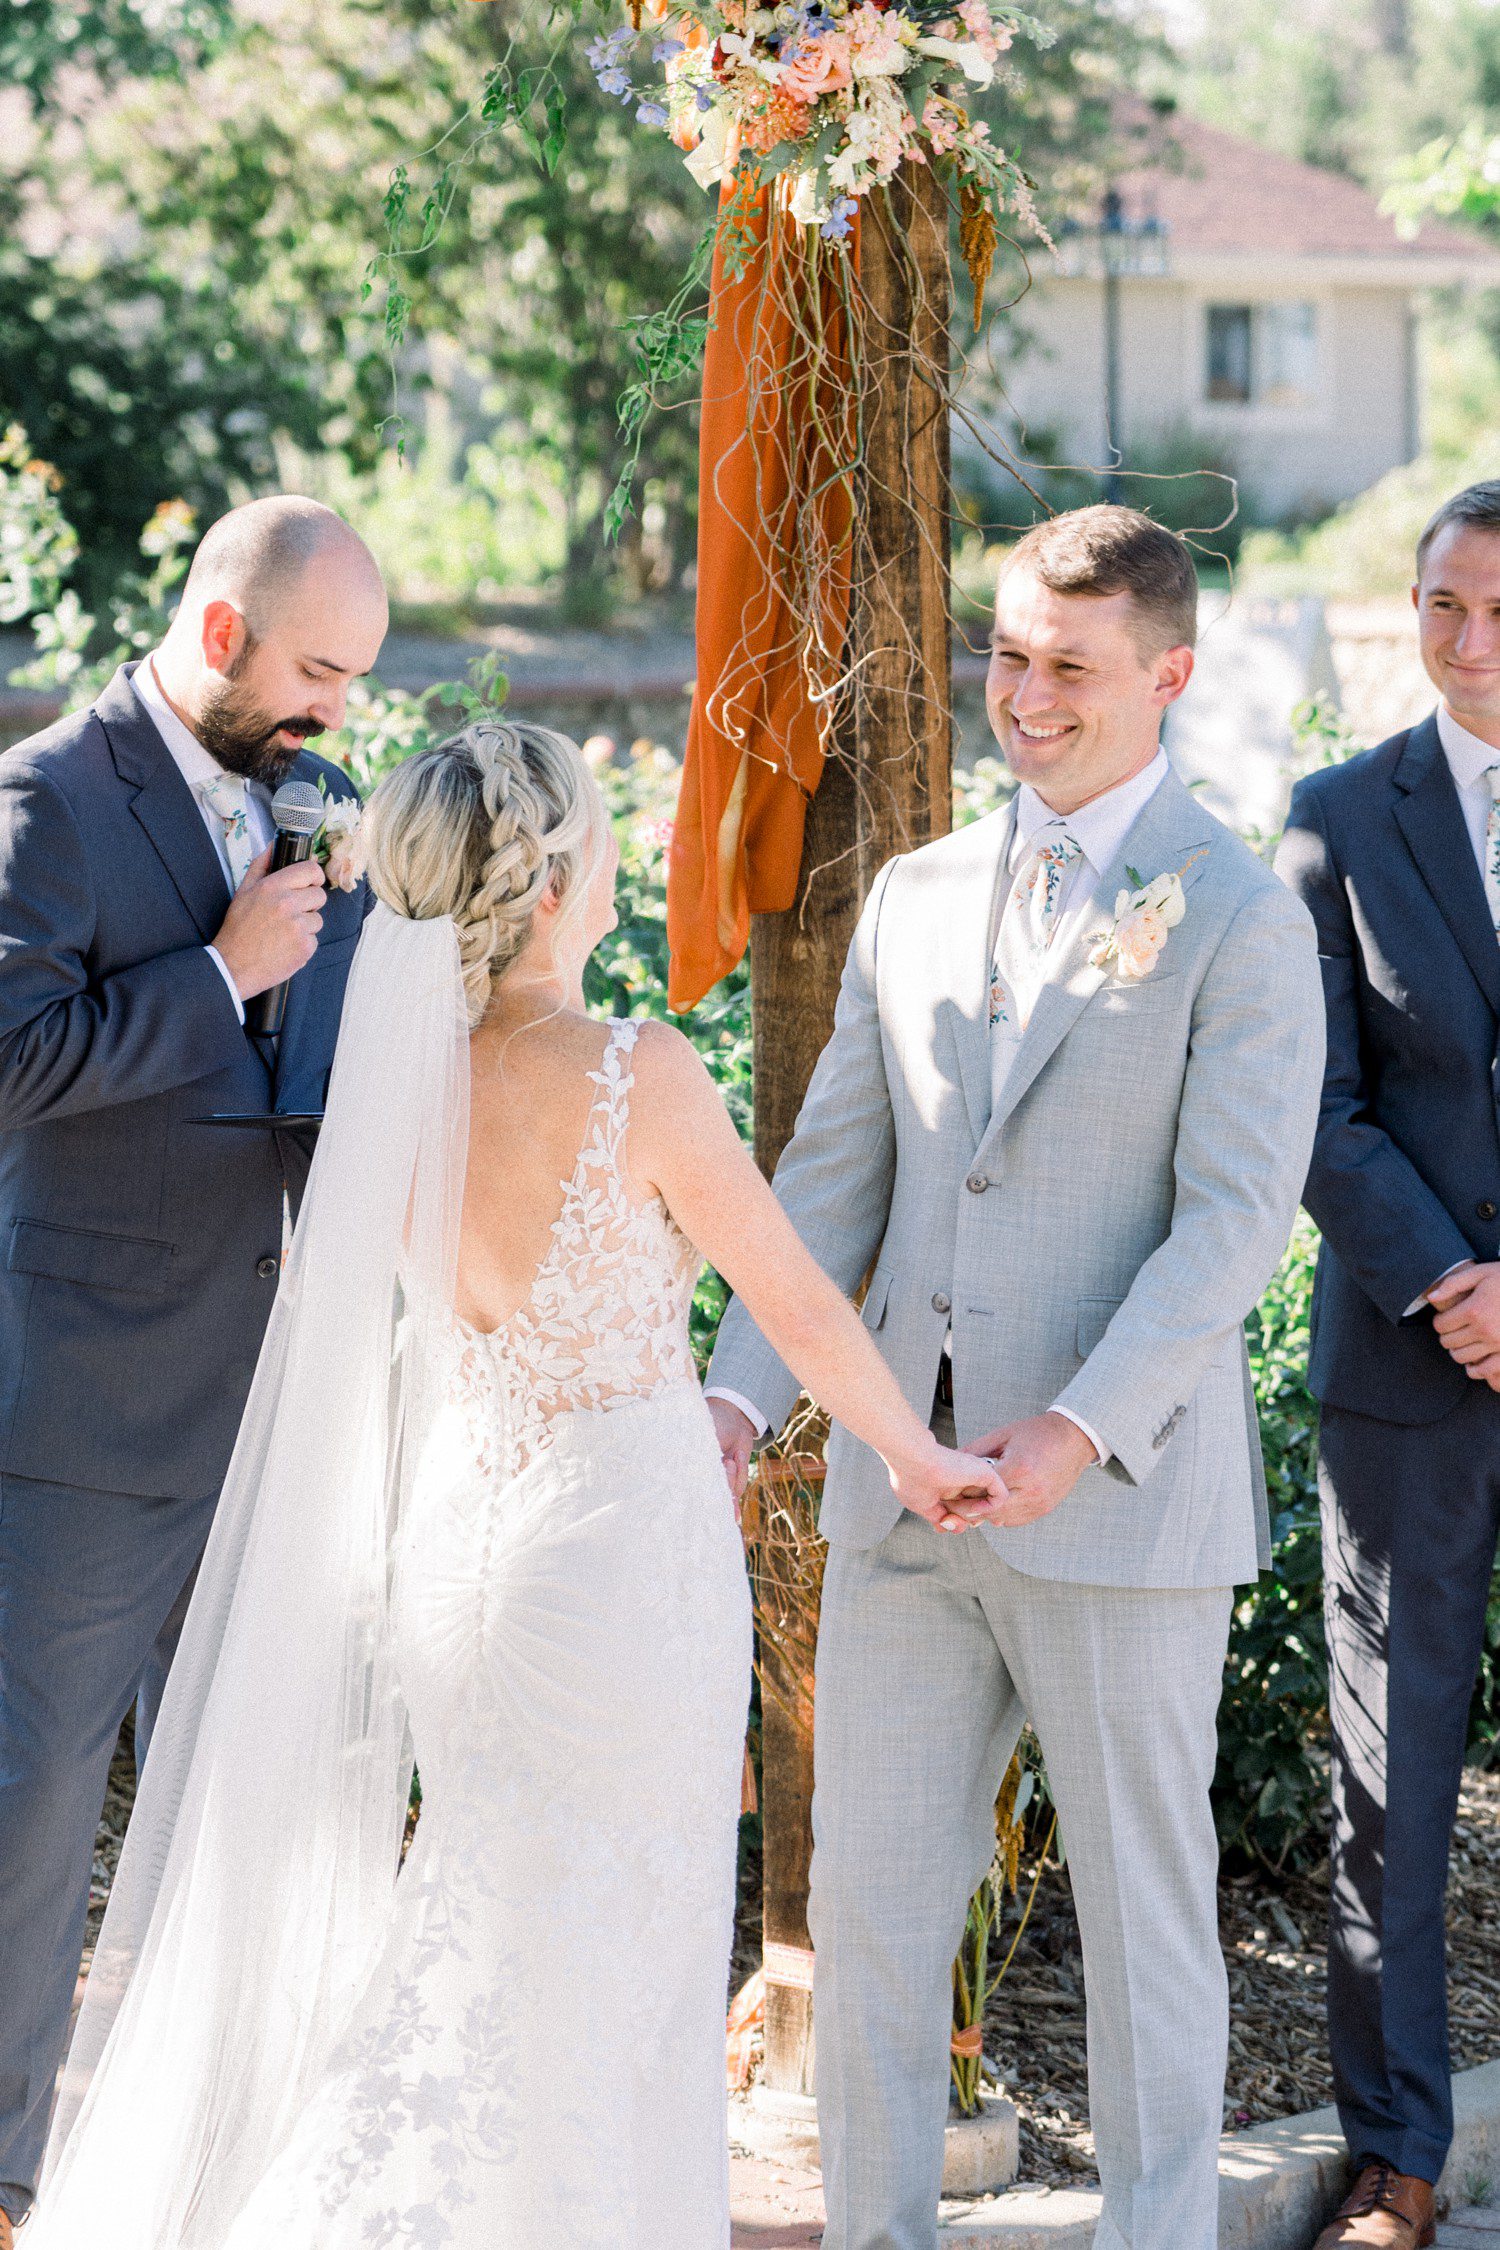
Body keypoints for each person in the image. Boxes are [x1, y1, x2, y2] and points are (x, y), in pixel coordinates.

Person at [27, 720, 1007, 2250]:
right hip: (615, 1555)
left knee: (487, 1918)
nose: (615, 869)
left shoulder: (389, 1082)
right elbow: (802, 1306)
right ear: (551, 878)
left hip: (462, 1551)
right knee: (615, 1948)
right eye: (602, 845)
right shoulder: (635, 1067)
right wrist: (921, 1451)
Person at [708, 505, 1328, 2250]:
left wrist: (1069, 1432)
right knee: (872, 1915)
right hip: (903, 1502)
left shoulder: (1231, 916)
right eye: (1007, 654)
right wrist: (739, 1401)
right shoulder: (912, 896)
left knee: (1143, 1926)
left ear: (1169, 675)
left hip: (1116, 1508)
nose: (1026, 694)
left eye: (1069, 664)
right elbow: (829, 1185)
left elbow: (1228, 1231)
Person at [0, 495, 387, 2246]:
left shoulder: (302, 800)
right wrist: (217, 971)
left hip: (261, 1401)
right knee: (30, 1821)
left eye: (356, 681)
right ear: (222, 635)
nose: (333, 716)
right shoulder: (47, 799)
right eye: (316, 672)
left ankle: (228, 2165)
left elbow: (302, 1062)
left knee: (261, 1804)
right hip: (76, 1410)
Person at [1276, 481, 1500, 2250]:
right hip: (1411, 1377)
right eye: (1440, 606)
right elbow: (1316, 1106)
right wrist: (1452, 1277)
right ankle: (1398, 2152)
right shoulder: (1339, 819)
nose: (1470, 642)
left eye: (1499, 608)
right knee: (1388, 1779)